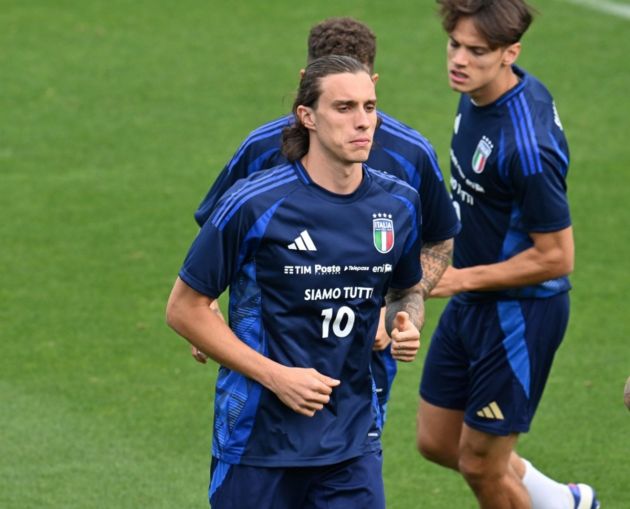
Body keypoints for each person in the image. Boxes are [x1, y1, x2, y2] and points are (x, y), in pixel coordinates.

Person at [167, 55, 425, 509]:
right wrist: (276, 376)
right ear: (307, 117)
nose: (363, 122)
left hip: (350, 441)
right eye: (344, 108)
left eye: (369, 107)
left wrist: (405, 322)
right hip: (257, 442)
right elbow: (185, 307)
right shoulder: (253, 204)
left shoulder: (399, 204)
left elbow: (405, 290)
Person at [191, 17, 460, 426]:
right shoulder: (263, 148)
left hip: (360, 367)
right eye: (338, 101)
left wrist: (400, 308)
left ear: (373, 81)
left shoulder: (411, 155)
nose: (356, 117)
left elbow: (438, 240)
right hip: (266, 365)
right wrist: (206, 308)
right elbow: (218, 233)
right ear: (307, 86)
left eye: (363, 100)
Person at [416, 1, 600, 508]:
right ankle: (565, 504)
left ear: (509, 53)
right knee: (438, 441)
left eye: (477, 51)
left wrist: (459, 279)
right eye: (455, 44)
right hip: (475, 294)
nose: (459, 59)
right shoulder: (478, 94)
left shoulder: (527, 147)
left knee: (481, 465)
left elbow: (557, 257)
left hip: (520, 313)